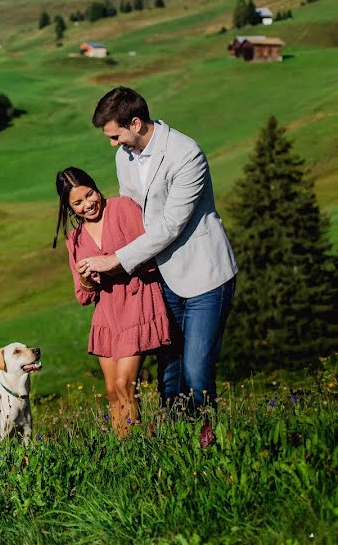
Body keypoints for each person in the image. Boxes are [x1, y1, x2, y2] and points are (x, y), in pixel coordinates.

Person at [77, 86, 238, 414]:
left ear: (135, 123)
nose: (112, 144)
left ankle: (208, 441)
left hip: (205, 276)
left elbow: (170, 226)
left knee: (195, 370)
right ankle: (177, 441)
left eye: (114, 135)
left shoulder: (185, 154)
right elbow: (129, 213)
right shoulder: (124, 156)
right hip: (160, 277)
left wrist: (116, 260)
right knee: (169, 369)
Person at [54, 167, 171, 436]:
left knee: (124, 384)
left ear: (96, 187)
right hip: (106, 311)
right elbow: (83, 296)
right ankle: (123, 449)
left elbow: (152, 256)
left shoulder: (123, 209)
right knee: (111, 390)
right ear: (70, 208)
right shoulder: (75, 239)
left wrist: (113, 265)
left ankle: (137, 448)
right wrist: (86, 279)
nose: (88, 204)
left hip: (136, 299)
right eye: (78, 203)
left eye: (90, 194)